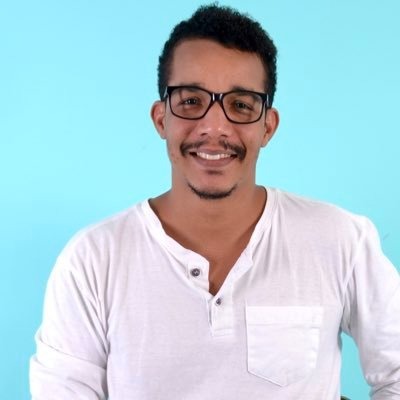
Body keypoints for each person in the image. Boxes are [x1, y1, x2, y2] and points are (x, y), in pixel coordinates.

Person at [30, 4, 400, 399]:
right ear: (161, 118)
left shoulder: (339, 240)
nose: (214, 126)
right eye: (191, 101)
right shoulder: (92, 260)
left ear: (268, 126)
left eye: (241, 104)